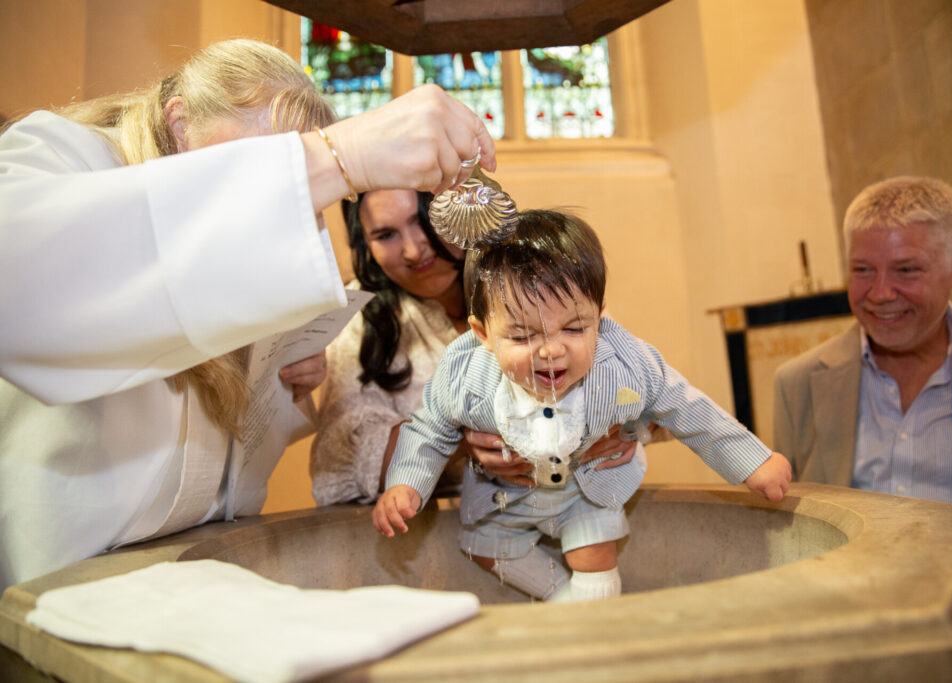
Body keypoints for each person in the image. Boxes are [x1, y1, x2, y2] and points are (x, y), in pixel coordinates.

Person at [0, 38, 496, 591]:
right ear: (180, 122)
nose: (271, 193)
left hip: (202, 566)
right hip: (64, 569)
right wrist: (339, 156)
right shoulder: (65, 155)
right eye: (260, 164)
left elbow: (216, 443)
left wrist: (287, 384)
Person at [373, 210, 792, 602]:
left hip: (586, 490)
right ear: (483, 334)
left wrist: (752, 461)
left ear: (600, 317)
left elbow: (684, 406)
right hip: (503, 498)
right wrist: (405, 484)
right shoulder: (465, 373)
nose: (551, 350)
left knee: (594, 554)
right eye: (522, 337)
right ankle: (563, 601)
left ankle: (592, 602)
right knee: (485, 551)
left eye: (574, 328)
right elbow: (428, 430)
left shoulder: (624, 362)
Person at [310, 190, 643, 505]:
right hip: (451, 532)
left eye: (424, 221)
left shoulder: (537, 278)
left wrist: (620, 427)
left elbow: (649, 390)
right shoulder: (360, 318)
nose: (412, 250)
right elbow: (340, 464)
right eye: (385, 235)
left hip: (578, 506)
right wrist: (459, 436)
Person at [773, 175, 952, 567]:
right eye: (862, 270)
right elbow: (792, 536)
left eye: (906, 270)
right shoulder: (798, 384)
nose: (881, 293)